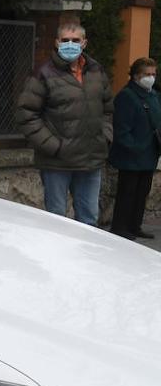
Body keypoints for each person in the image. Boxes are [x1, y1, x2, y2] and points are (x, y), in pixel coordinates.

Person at [15, 22, 113, 226]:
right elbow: (26, 114)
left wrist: (105, 137)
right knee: (56, 221)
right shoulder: (43, 73)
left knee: (89, 220)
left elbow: (108, 110)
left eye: (75, 40)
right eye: (65, 40)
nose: (70, 44)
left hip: (91, 159)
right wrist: (54, 146)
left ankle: (85, 259)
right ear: (57, 42)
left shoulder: (96, 71)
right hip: (57, 163)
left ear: (84, 43)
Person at [108, 57, 160, 240]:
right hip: (131, 156)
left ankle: (134, 225)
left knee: (141, 193)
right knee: (127, 193)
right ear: (137, 75)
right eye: (147, 74)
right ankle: (120, 227)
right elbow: (122, 129)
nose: (151, 78)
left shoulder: (153, 95)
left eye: (153, 74)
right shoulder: (127, 96)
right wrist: (135, 147)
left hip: (149, 154)